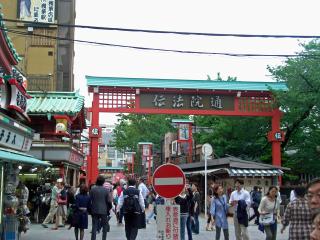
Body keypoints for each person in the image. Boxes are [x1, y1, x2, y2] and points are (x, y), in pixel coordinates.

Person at [90, 175, 112, 240]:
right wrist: (109, 209)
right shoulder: (106, 190)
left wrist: (90, 209)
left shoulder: (92, 189)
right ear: (103, 182)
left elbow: (90, 200)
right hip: (104, 210)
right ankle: (103, 238)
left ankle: (93, 238)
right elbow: (108, 201)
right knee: (104, 226)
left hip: (94, 209)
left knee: (94, 226)